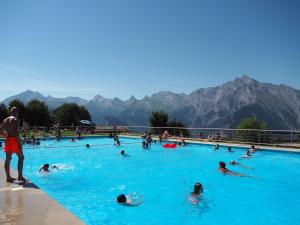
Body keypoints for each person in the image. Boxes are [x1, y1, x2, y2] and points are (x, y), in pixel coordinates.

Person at [0, 107, 26, 183]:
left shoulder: (5, 120)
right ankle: (20, 176)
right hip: (14, 140)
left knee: (8, 158)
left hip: (8, 139)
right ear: (17, 112)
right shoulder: (15, 120)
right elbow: (16, 133)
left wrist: (6, 135)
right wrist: (19, 142)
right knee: (21, 157)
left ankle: (8, 177)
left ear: (11, 112)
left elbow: (0, 131)